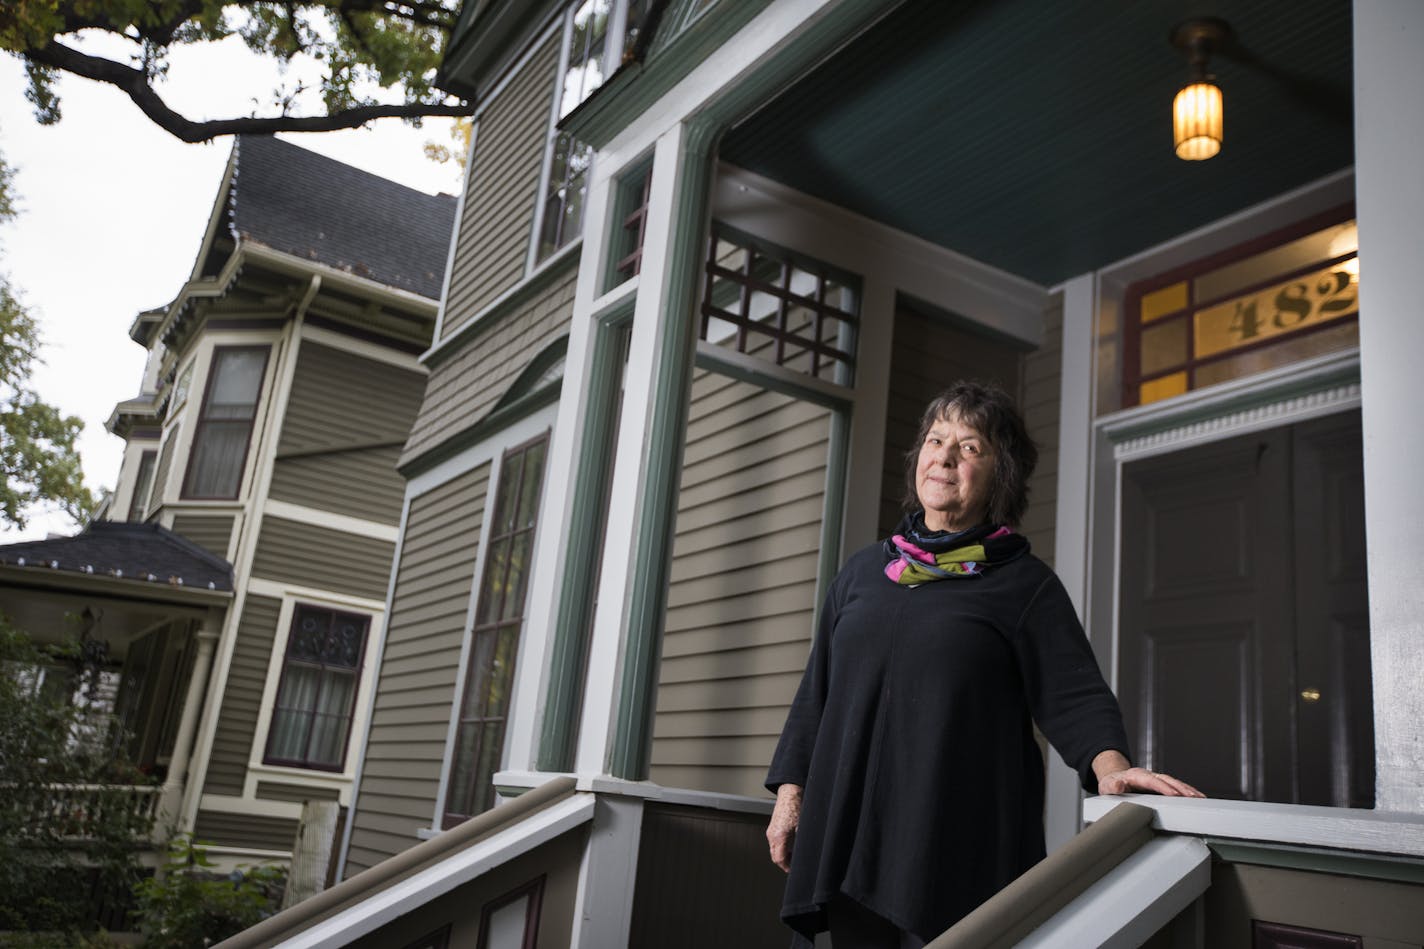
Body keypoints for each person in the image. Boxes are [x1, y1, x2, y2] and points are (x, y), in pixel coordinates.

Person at [764, 381, 1202, 949]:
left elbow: (1075, 695)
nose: (944, 456)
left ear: (1001, 475)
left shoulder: (1024, 584)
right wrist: (790, 798)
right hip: (844, 828)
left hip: (951, 836)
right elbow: (815, 695)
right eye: (935, 439)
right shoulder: (863, 572)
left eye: (970, 447)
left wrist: (1110, 767)